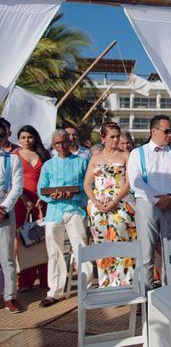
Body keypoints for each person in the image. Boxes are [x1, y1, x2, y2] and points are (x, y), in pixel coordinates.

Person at [127, 115, 171, 292]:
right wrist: (156, 199)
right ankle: (145, 294)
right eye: (166, 131)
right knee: (146, 252)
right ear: (154, 131)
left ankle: (170, 293)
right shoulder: (137, 153)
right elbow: (135, 180)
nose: (170, 135)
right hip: (146, 205)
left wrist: (170, 196)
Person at [37, 130, 93, 307]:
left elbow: (87, 187)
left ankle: (87, 288)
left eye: (63, 142)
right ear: (53, 146)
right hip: (54, 212)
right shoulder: (48, 165)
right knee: (54, 251)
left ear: (69, 142)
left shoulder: (82, 162)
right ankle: (55, 291)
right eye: (56, 144)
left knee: (81, 248)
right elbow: (42, 189)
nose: (61, 146)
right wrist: (52, 197)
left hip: (74, 210)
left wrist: (73, 195)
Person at [83, 122, 137, 288]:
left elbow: (129, 182)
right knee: (102, 245)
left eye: (117, 136)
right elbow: (86, 184)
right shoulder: (95, 158)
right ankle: (106, 283)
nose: (115, 140)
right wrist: (96, 202)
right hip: (98, 208)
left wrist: (115, 200)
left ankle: (127, 283)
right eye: (112, 136)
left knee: (124, 243)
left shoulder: (125, 156)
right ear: (103, 138)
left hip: (121, 205)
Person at [15, 125, 50, 292]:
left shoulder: (44, 155)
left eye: (29, 137)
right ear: (18, 140)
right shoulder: (14, 156)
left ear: (35, 138)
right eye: (23, 137)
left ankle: (46, 279)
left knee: (44, 238)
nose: (26, 140)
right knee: (25, 240)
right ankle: (26, 281)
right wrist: (23, 198)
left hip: (42, 201)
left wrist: (44, 198)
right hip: (21, 201)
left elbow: (51, 177)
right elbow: (12, 182)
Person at [0, 123, 24, 313]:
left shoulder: (13, 160)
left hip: (4, 211)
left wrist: (4, 208)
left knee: (7, 256)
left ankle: (10, 297)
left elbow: (17, 187)